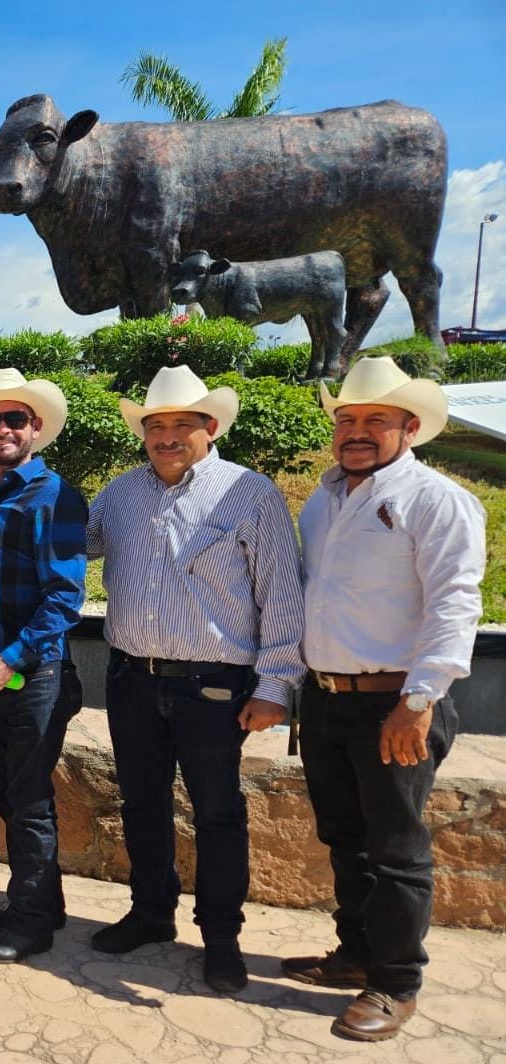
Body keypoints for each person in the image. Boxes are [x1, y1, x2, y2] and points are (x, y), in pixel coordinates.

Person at [283, 356, 485, 1041]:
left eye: (375, 419)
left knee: (397, 848)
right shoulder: (325, 498)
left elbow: (456, 605)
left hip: (395, 702)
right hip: (327, 698)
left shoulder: (437, 500)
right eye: (347, 419)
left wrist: (420, 700)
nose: (357, 431)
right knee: (347, 839)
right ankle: (357, 954)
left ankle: (396, 983)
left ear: (410, 427)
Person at [86, 365, 304, 993]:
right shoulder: (122, 493)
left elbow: (280, 594)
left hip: (213, 685)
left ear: (210, 427)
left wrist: (274, 684)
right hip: (131, 677)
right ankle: (152, 914)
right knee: (140, 802)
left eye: (183, 424)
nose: (168, 436)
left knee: (217, 811)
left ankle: (221, 938)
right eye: (157, 425)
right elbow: (77, 540)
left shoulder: (250, 492)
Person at [0, 370, 88, 966]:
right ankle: (38, 902)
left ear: (36, 428)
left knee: (28, 799)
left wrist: (9, 658)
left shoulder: (55, 494)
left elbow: (64, 596)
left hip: (29, 676)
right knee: (8, 793)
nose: (3, 429)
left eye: (15, 420)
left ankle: (31, 922)